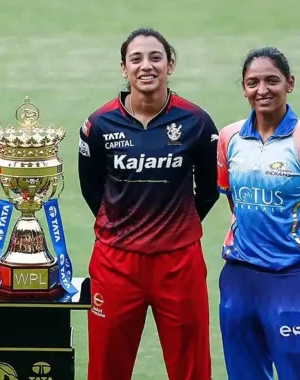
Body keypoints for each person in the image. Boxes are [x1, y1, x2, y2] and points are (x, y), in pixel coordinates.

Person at [77, 28, 220, 380]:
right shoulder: (98, 125)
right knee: (107, 366)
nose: (147, 66)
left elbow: (209, 188)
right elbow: (91, 188)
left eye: (156, 58)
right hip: (116, 263)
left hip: (179, 261)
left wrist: (178, 223)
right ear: (124, 69)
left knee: (192, 366)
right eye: (136, 59)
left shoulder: (197, 122)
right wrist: (122, 226)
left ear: (170, 65)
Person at [216, 47, 300, 380]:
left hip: (292, 280)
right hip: (238, 278)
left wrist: (299, 256)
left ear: (290, 83)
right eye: (253, 82)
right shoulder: (229, 138)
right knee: (244, 374)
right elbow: (236, 203)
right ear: (243, 88)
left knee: (297, 374)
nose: (262, 90)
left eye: (272, 80)